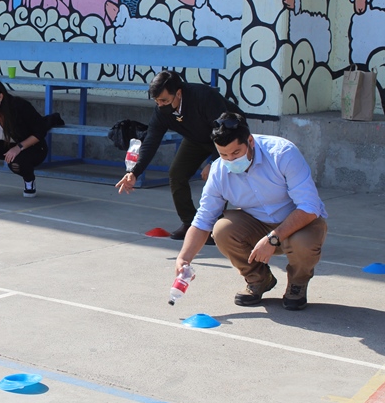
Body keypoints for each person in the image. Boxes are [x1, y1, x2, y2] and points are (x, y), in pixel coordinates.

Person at [175, 112, 328, 310]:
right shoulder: (219, 171)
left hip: (299, 224)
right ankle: (259, 279)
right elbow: (203, 219)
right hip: (256, 224)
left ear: (250, 141)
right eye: (223, 155)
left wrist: (273, 238)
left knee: (303, 242)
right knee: (221, 230)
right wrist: (183, 259)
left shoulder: (282, 153)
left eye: (236, 153)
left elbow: (309, 207)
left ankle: (298, 283)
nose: (231, 159)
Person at [115, 70, 245, 242]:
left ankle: (216, 227)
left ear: (178, 93)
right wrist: (135, 172)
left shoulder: (204, 97)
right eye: (157, 101)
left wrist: (215, 160)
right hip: (196, 138)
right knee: (176, 174)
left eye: (164, 100)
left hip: (228, 136)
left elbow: (224, 131)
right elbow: (151, 140)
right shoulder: (162, 111)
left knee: (217, 176)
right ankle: (191, 224)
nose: (161, 105)